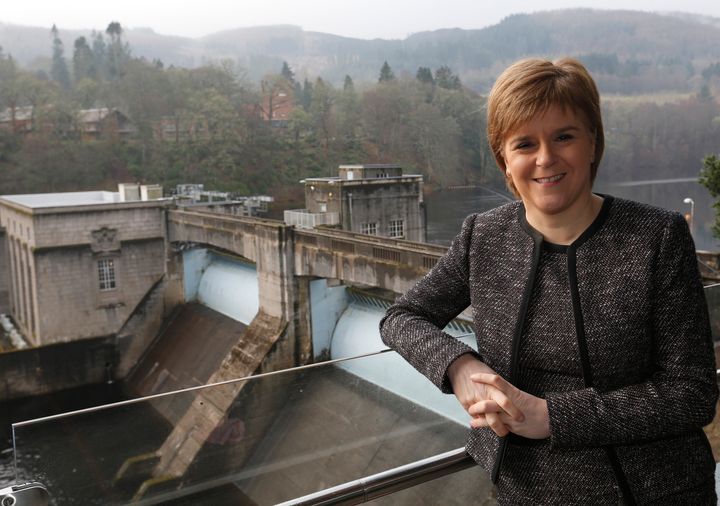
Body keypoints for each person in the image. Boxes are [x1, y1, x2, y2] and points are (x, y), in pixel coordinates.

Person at [380, 57, 718, 504]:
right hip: (524, 491)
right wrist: (460, 367)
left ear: (593, 143)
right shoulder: (484, 236)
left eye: (564, 136)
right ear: (504, 158)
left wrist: (553, 417)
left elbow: (691, 393)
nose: (545, 158)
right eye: (525, 143)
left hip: (649, 492)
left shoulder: (655, 237)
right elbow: (401, 317)